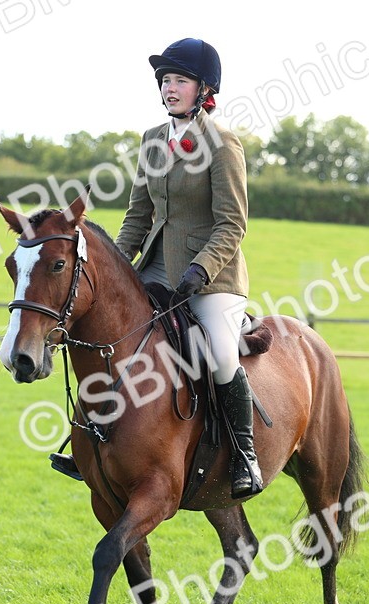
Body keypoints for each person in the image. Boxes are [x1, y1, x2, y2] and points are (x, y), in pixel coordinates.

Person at [115, 37, 263, 499]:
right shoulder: (152, 141)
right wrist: (119, 266)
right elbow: (138, 216)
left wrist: (200, 269)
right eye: (165, 80)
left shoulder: (222, 144)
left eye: (179, 80)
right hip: (156, 267)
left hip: (212, 277)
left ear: (203, 88)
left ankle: (245, 455)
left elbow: (232, 223)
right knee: (112, 336)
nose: (169, 88)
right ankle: (96, 445)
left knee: (220, 351)